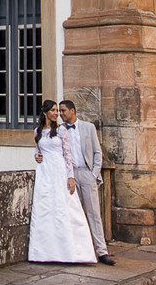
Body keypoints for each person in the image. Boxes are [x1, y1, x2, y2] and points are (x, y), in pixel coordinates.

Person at [27, 99, 96, 264]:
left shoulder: (61, 130)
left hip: (59, 171)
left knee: (64, 209)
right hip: (45, 172)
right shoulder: (37, 131)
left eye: (57, 110)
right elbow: (38, 151)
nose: (56, 113)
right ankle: (43, 253)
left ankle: (71, 252)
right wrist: (37, 157)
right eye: (52, 110)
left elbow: (68, 155)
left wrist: (70, 177)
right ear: (45, 113)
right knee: (45, 209)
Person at [58, 99, 114, 266]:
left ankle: (102, 251)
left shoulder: (88, 127)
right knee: (73, 214)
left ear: (72, 111)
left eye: (63, 111)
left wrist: (93, 173)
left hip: (86, 173)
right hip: (70, 175)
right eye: (59, 111)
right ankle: (77, 251)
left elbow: (98, 153)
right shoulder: (60, 130)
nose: (61, 114)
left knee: (93, 213)